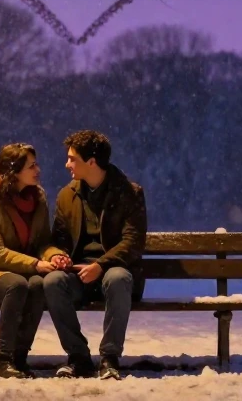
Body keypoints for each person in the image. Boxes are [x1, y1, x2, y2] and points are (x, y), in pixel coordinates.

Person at [41, 129, 147, 380]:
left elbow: (132, 242)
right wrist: (58, 256)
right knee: (53, 282)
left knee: (118, 278)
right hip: (79, 275)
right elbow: (59, 240)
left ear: (91, 162)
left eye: (72, 159)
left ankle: (109, 357)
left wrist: (100, 265)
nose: (67, 164)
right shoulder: (67, 195)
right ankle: (78, 357)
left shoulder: (128, 193)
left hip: (116, 271)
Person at [0, 143, 58, 379]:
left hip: (23, 273)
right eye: (31, 166)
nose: (38, 170)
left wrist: (52, 255)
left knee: (38, 285)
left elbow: (42, 242)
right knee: (17, 285)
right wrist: (34, 264)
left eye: (36, 164)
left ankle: (19, 359)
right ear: (14, 172)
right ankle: (3, 360)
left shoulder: (38, 200)